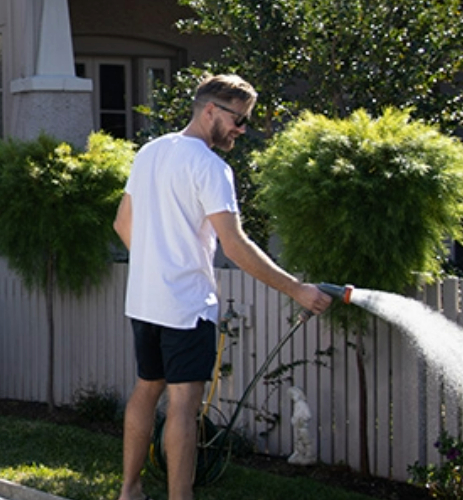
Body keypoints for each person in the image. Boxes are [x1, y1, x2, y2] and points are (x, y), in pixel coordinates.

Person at [111, 74, 332, 500]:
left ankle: (129, 491)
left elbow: (122, 223)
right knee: (183, 406)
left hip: (143, 301)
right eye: (238, 119)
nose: (241, 129)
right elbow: (234, 245)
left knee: (145, 389)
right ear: (210, 109)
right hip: (186, 307)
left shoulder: (151, 152)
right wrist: (297, 290)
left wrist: (155, 264)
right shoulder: (211, 167)